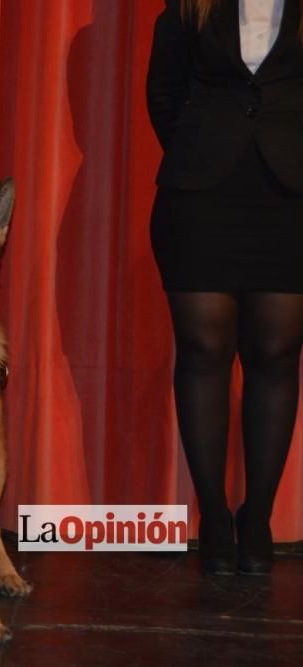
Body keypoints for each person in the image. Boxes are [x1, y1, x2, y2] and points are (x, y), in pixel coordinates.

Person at [147, 0, 303, 575]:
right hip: (201, 198)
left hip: (292, 199)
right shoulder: (187, 8)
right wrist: (202, 152)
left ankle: (256, 517)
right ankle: (213, 515)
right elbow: (162, 94)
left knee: (277, 354)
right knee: (204, 352)